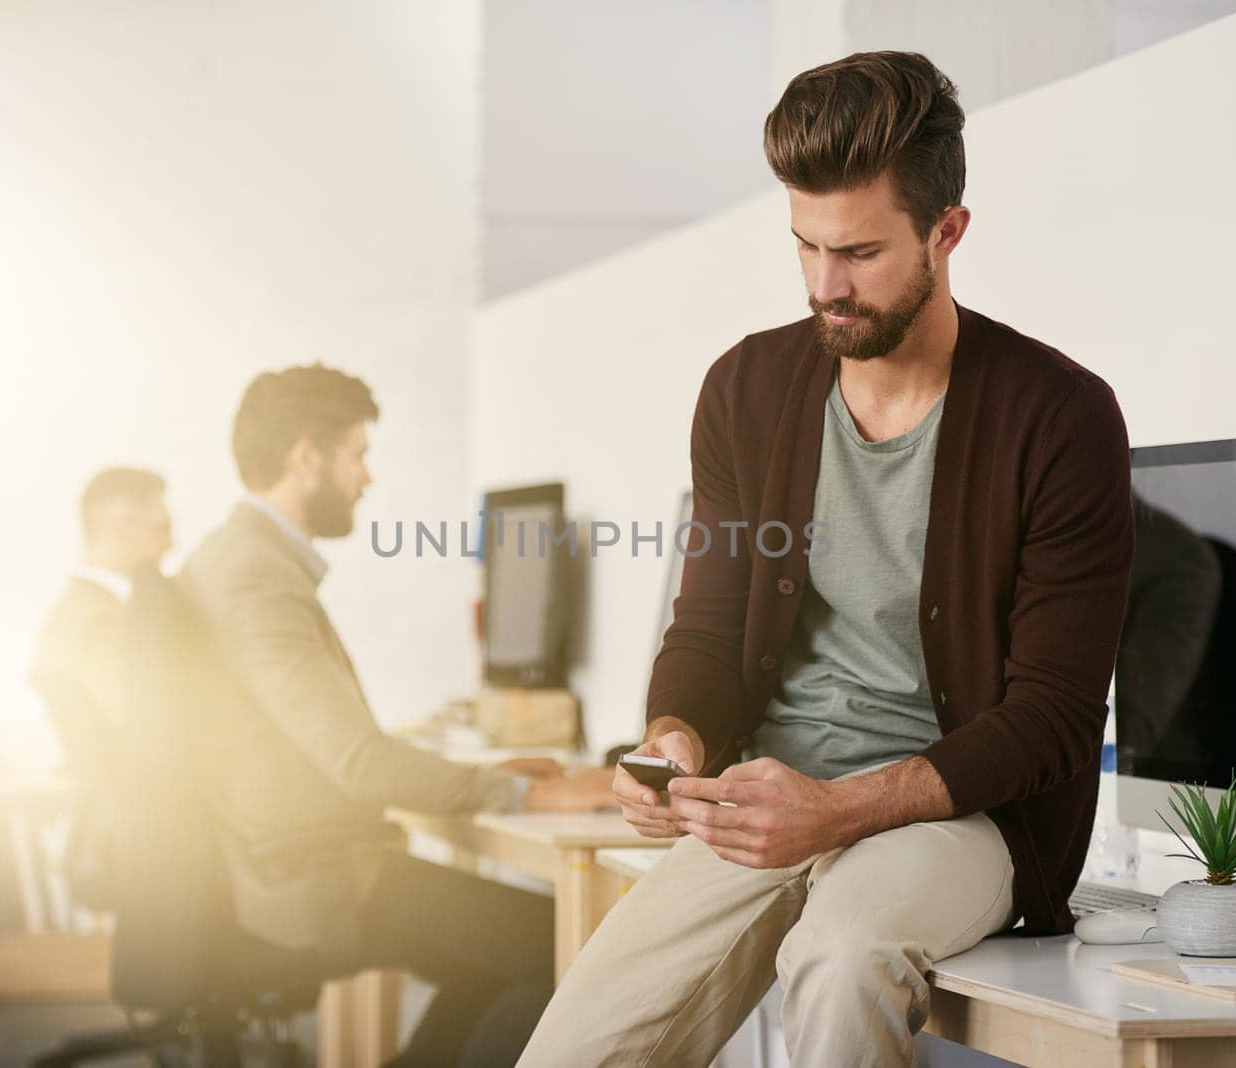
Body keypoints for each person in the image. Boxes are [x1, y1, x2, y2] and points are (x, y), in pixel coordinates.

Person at [520, 51, 1134, 1066]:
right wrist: (672, 742)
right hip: (765, 795)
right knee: (577, 1046)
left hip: (960, 815)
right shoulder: (745, 391)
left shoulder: (1058, 416)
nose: (824, 286)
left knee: (842, 959)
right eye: (803, 247)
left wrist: (841, 810)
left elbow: (1055, 718)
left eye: (856, 252)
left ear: (947, 232)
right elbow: (708, 632)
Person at [180, 364, 612, 1067]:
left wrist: (485, 775)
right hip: (307, 877)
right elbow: (358, 763)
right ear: (304, 456)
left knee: (508, 953)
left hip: (287, 854)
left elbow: (332, 748)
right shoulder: (255, 576)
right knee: (562, 945)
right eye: (357, 454)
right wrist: (536, 792)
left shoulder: (237, 559)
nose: (366, 478)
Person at [31, 466, 174, 906]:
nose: (172, 544)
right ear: (119, 527)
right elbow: (152, 730)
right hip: (139, 840)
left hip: (113, 828)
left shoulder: (74, 612)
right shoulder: (101, 622)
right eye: (162, 529)